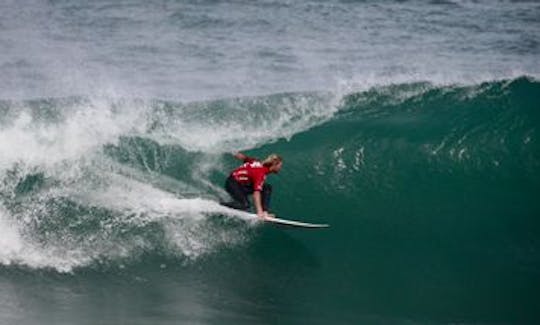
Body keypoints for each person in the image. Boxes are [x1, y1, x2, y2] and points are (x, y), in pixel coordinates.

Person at [220, 152, 283, 219]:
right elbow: (256, 192)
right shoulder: (261, 173)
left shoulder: (257, 162)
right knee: (245, 205)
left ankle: (265, 212)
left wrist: (232, 151)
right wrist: (259, 212)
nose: (280, 168)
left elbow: (244, 158)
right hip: (233, 184)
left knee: (267, 188)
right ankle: (220, 205)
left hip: (239, 183)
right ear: (274, 165)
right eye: (280, 166)